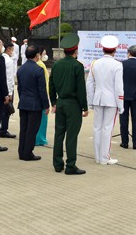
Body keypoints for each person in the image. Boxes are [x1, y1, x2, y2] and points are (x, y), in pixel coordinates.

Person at [49, 34, 88, 175]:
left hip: (60, 103)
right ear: (75, 50)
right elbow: (81, 89)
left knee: (59, 134)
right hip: (73, 105)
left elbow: (51, 85)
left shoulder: (57, 65)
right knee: (71, 136)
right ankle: (70, 165)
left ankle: (57, 164)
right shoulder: (77, 66)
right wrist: (85, 107)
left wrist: (53, 102)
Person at [86, 35, 125, 165]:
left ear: (102, 49)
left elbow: (89, 84)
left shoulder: (94, 63)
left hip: (98, 99)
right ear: (115, 50)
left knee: (97, 127)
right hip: (112, 100)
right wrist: (121, 104)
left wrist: (90, 101)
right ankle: (104, 157)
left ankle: (98, 157)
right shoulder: (118, 65)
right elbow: (119, 87)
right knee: (107, 128)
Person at [16, 45, 49, 161]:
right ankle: (28, 153)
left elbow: (19, 88)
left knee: (23, 128)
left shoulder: (21, 69)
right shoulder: (38, 69)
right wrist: (46, 105)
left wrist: (22, 98)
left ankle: (21, 152)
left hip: (23, 102)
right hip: (35, 104)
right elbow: (42, 89)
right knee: (32, 129)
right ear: (37, 55)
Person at [0, 41, 17, 139]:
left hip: (0, 88)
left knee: (0, 110)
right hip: (7, 88)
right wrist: (10, 92)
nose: (13, 52)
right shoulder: (9, 61)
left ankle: (0, 128)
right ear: (8, 49)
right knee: (7, 110)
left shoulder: (0, 58)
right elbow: (9, 77)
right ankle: (4, 130)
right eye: (12, 50)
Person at [35, 47, 50, 147]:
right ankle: (40, 139)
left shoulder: (40, 63)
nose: (45, 55)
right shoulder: (40, 64)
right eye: (44, 53)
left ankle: (39, 138)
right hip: (42, 96)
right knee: (41, 119)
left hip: (41, 95)